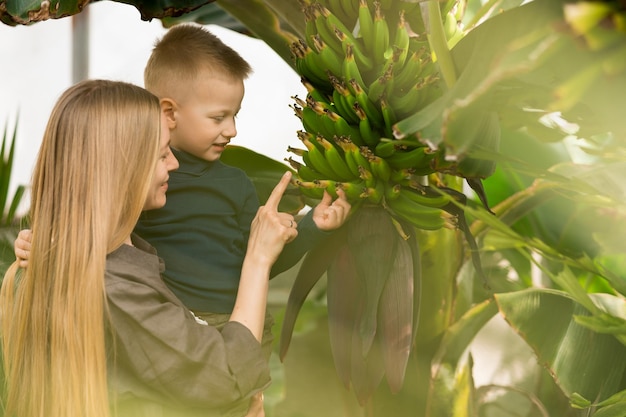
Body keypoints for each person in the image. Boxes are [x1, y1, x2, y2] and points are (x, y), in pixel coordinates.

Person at [3, 79, 301, 417]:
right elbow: (226, 377)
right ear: (122, 170)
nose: (173, 164)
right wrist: (258, 258)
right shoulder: (117, 290)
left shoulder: (82, 259)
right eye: (161, 154)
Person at [137, 24, 351, 414]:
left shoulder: (236, 184)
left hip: (239, 326)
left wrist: (310, 227)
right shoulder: (139, 180)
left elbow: (258, 262)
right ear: (169, 112)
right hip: (173, 333)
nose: (232, 130)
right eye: (218, 117)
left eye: (235, 115)